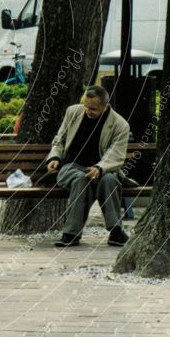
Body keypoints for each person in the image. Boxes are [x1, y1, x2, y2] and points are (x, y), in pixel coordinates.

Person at [45, 85, 130, 247]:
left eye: (93, 108)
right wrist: (54, 157)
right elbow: (60, 139)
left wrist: (99, 168)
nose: (87, 111)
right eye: (85, 106)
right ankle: (71, 233)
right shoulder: (73, 112)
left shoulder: (120, 125)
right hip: (72, 167)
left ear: (106, 106)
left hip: (102, 169)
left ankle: (116, 232)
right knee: (80, 180)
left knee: (110, 180)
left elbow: (116, 154)